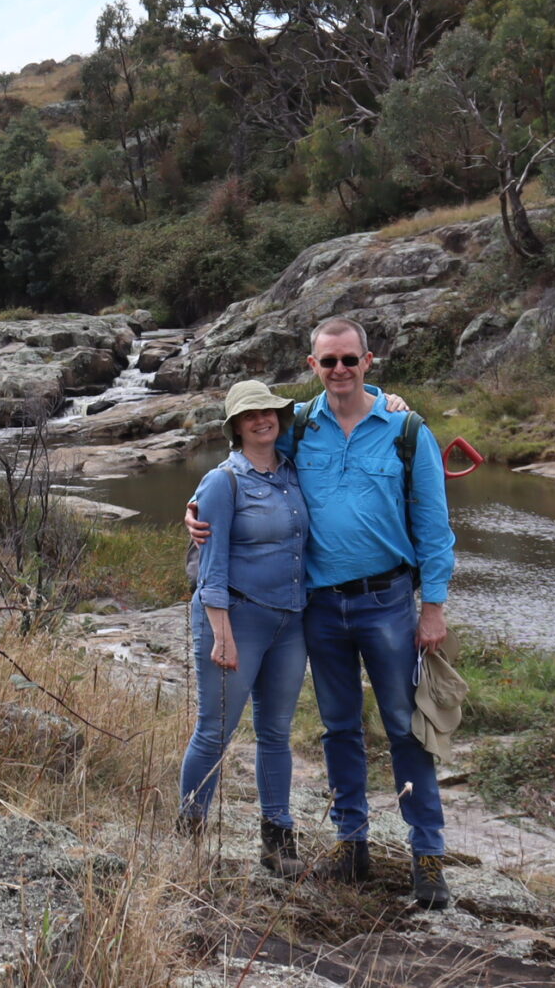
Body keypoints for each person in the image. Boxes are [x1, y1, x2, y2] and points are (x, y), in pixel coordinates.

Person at [185, 316, 458, 909]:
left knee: (405, 726)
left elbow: (436, 529)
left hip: (389, 602)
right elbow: (243, 463)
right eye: (327, 361)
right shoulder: (299, 427)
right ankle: (349, 841)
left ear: (369, 360)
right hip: (320, 606)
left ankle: (429, 854)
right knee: (338, 728)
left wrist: (432, 608)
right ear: (312, 366)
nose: (339, 370)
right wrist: (194, 504)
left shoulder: (407, 430)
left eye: (349, 360)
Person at [177, 379, 310, 876]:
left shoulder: (293, 471)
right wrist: (223, 633)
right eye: (250, 414)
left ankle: (277, 840)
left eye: (269, 411)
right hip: (235, 618)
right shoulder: (222, 481)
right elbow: (210, 565)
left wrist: (388, 400)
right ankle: (189, 834)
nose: (262, 420)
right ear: (235, 425)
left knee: (276, 732)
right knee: (214, 732)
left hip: (290, 621)